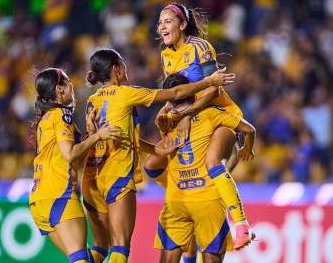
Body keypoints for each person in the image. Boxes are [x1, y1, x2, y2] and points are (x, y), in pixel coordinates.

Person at [81, 48, 235, 263]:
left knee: (99, 248)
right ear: (116, 68)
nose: (126, 68)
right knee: (119, 246)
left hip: (91, 178)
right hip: (115, 176)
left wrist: (154, 150)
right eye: (123, 64)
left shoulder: (93, 100)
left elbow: (116, 135)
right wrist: (209, 81)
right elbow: (175, 94)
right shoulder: (126, 93)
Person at [157, 2, 254, 249]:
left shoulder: (200, 48)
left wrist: (185, 114)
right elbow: (177, 90)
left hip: (218, 113)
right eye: (159, 22)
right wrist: (169, 108)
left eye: (167, 21)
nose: (162, 26)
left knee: (212, 163)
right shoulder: (165, 55)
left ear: (182, 24)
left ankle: (241, 227)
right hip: (193, 118)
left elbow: (213, 90)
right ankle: (191, 249)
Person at [143, 73, 256, 263]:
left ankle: (189, 256)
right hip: (207, 199)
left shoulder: (164, 120)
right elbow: (249, 129)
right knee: (217, 166)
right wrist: (247, 148)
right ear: (194, 92)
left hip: (176, 200)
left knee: (151, 166)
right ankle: (241, 224)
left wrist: (166, 107)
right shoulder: (211, 113)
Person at [29, 68, 124, 263]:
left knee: (83, 259)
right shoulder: (61, 114)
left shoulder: (44, 118)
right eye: (68, 82)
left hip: (39, 200)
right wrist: (98, 136)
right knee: (81, 259)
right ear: (59, 89)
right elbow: (70, 155)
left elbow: (69, 154)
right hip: (60, 195)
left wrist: (90, 134)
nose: (72, 86)